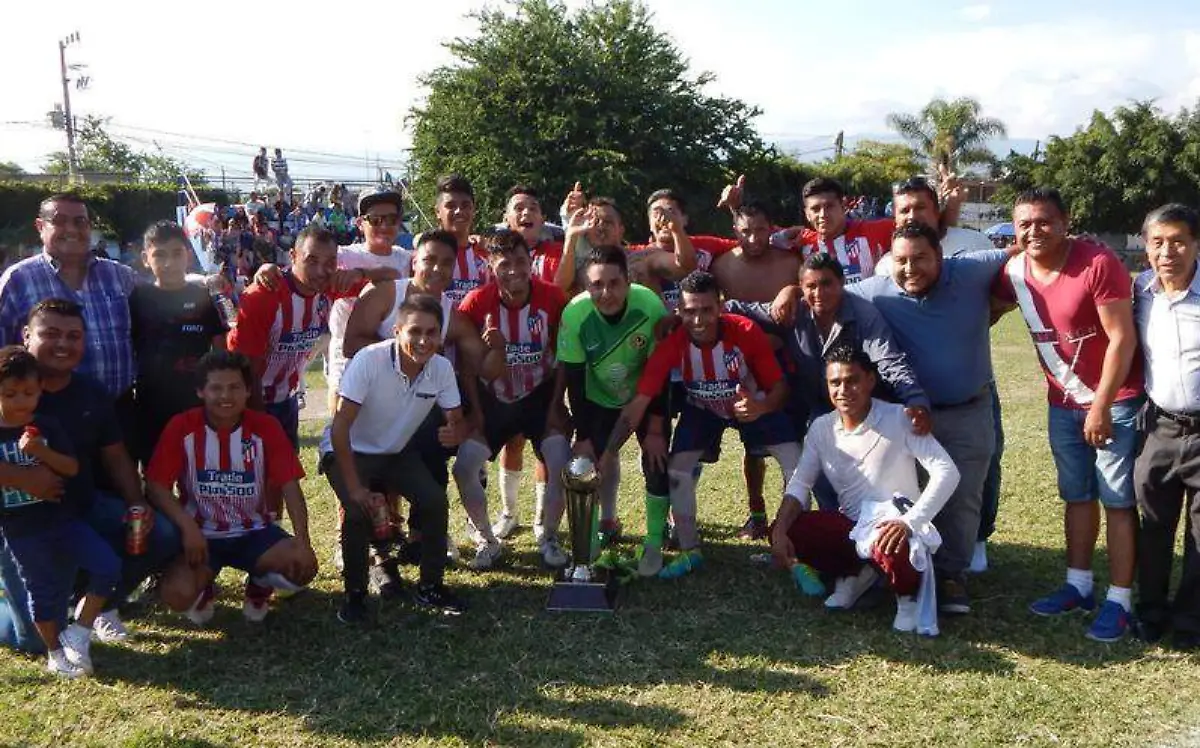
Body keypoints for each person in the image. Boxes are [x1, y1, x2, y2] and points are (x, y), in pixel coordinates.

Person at [994, 188, 1142, 642]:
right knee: (1076, 495)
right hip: (1062, 404)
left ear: (1065, 222)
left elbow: (1122, 338)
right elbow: (987, 309)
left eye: (1044, 221)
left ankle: (1120, 599)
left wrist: (1101, 405)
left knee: (1117, 499)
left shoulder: (1097, 262)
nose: (1034, 231)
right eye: (1024, 223)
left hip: (1114, 401)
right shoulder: (1013, 271)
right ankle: (1078, 585)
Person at [846, 222, 1011, 615]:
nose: (910, 269)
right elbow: (825, 291)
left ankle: (951, 574)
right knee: (900, 492)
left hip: (969, 409)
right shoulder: (875, 291)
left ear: (940, 256)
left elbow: (1022, 252)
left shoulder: (971, 270)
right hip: (908, 415)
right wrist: (788, 292)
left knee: (963, 496)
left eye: (920, 258)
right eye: (901, 260)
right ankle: (897, 569)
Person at [617, 271, 800, 577]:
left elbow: (779, 388)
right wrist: (610, 450)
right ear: (679, 311)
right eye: (690, 311)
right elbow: (642, 399)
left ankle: (789, 541)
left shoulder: (745, 331)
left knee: (795, 462)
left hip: (752, 403)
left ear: (721, 306)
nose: (699, 320)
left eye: (706, 310)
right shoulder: (674, 342)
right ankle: (690, 550)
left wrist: (761, 406)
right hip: (702, 409)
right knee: (677, 469)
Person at [770, 347, 960, 634]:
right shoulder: (821, 428)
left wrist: (910, 522)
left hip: (894, 523)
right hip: (852, 525)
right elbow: (800, 483)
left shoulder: (900, 418)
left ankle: (907, 598)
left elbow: (947, 471)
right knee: (792, 529)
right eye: (835, 382)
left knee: (893, 542)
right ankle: (857, 573)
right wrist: (780, 530)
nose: (843, 390)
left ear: (870, 380)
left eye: (852, 381)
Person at [25, 299, 181, 641]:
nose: (63, 344)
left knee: (162, 533)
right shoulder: (9, 389)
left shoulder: (91, 392)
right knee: (32, 639)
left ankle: (101, 604)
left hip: (84, 504)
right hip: (24, 521)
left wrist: (136, 502)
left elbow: (116, 457)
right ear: (26, 336)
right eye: (51, 334)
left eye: (73, 336)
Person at [728, 253, 929, 512]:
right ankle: (833, 521)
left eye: (827, 284)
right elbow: (737, 309)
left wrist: (915, 400)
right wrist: (691, 314)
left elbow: (889, 361)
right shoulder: (793, 310)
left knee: (882, 479)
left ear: (842, 283)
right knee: (823, 473)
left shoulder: (863, 315)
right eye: (811, 286)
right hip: (821, 410)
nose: (819, 293)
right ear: (801, 288)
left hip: (869, 407)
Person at [877, 177, 1003, 572]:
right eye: (904, 209)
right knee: (911, 486)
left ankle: (962, 560)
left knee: (974, 482)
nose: (912, 215)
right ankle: (919, 565)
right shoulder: (883, 274)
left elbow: (1022, 260)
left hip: (970, 397)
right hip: (910, 408)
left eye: (920, 207)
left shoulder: (973, 256)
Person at [147, 350, 318, 626]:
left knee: (301, 567)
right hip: (202, 535)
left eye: (235, 387)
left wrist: (303, 541)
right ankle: (203, 587)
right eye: (216, 388)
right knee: (176, 595)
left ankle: (260, 583)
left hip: (255, 532)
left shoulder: (266, 427)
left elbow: (290, 487)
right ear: (201, 391)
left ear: (248, 390)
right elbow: (156, 486)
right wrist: (188, 528)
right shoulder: (182, 426)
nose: (225, 396)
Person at [326, 294, 465, 622]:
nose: (423, 340)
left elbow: (457, 419)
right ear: (397, 331)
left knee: (434, 500)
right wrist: (355, 488)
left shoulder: (441, 368)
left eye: (431, 333)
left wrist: (456, 432)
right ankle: (355, 595)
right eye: (415, 331)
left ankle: (430, 586)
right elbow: (340, 427)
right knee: (357, 511)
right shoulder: (369, 360)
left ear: (440, 336)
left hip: (396, 452)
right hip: (350, 449)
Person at [453, 230, 572, 570]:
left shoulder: (553, 297)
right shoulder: (476, 302)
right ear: (491, 266)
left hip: (539, 396)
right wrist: (476, 413)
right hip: (494, 400)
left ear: (530, 261)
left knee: (560, 458)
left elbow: (564, 357)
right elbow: (467, 366)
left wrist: (556, 406)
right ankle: (487, 540)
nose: (514, 271)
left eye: (521, 261)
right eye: (504, 264)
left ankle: (548, 536)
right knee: (464, 466)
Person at [0, 346, 118, 677]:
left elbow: (71, 467)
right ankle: (55, 653)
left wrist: (41, 451)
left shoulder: (45, 426)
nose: (21, 402)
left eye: (29, 393)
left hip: (62, 520)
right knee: (42, 593)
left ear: (40, 389)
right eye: (10, 394)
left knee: (107, 565)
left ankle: (79, 631)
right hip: (21, 532)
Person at [557, 245, 669, 549]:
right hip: (597, 400)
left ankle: (655, 540)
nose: (606, 293)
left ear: (628, 281)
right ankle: (590, 544)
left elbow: (659, 373)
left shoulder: (650, 306)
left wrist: (655, 428)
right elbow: (574, 381)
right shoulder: (575, 314)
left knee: (657, 462)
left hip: (644, 397)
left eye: (614, 283)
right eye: (597, 285)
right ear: (586, 285)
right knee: (586, 466)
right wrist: (583, 435)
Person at [1132, 203, 1200, 649]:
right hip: (1158, 428)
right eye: (1157, 242)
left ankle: (1190, 620)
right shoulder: (1141, 291)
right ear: (1146, 246)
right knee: (1153, 523)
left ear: (1196, 244)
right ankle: (1151, 611)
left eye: (1178, 241)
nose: (1167, 252)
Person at [227, 225, 352, 449]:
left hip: (287, 399)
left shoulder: (328, 287)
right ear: (293, 256)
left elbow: (389, 277)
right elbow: (245, 368)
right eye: (311, 260)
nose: (321, 271)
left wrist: (359, 273)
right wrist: (260, 423)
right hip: (249, 400)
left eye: (330, 262)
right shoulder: (264, 295)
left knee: (286, 466)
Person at [130, 221, 228, 464]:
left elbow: (220, 349)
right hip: (150, 405)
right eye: (159, 255)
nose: (169, 263)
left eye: (176, 253)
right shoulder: (138, 298)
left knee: (197, 470)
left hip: (195, 403)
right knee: (155, 471)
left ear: (188, 256)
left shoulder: (202, 297)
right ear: (145, 259)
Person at [434, 174, 491, 306]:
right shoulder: (425, 256)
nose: (458, 211)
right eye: (451, 206)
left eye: (465, 205)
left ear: (473, 210)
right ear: (437, 212)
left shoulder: (486, 256)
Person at [555, 192, 625, 296]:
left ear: (621, 230)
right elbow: (558, 290)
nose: (601, 227)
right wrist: (571, 236)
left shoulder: (635, 259)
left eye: (608, 222)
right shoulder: (577, 264)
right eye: (594, 222)